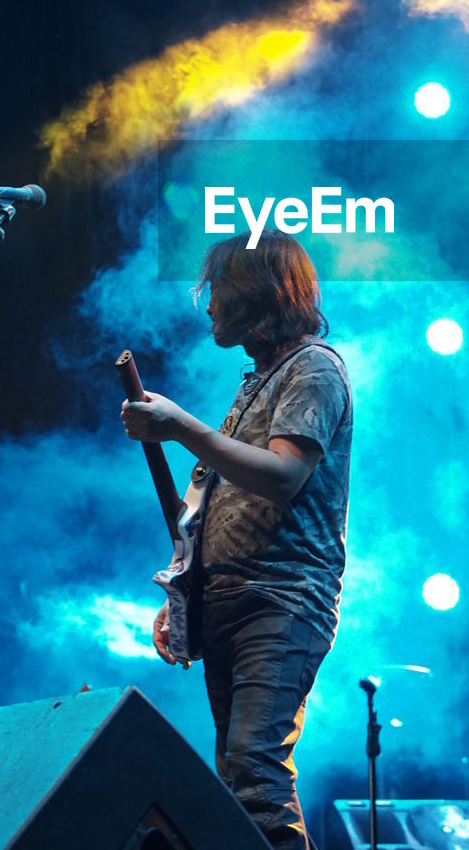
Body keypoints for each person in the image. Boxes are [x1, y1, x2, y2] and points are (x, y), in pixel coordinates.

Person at [121, 229, 352, 850]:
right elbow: (210, 516)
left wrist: (180, 427)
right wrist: (180, 594)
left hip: (280, 598)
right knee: (234, 783)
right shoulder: (255, 382)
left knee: (253, 770)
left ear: (258, 293)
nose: (209, 304)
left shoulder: (314, 368)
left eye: (219, 289)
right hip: (228, 600)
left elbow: (282, 477)